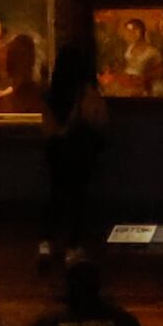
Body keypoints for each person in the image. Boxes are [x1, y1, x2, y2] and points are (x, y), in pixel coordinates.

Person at [41, 35, 108, 264]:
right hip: (80, 151)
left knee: (56, 196)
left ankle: (46, 243)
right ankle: (73, 247)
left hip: (55, 151)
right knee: (78, 198)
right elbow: (98, 120)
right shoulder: (86, 92)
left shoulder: (52, 94)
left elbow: (48, 129)